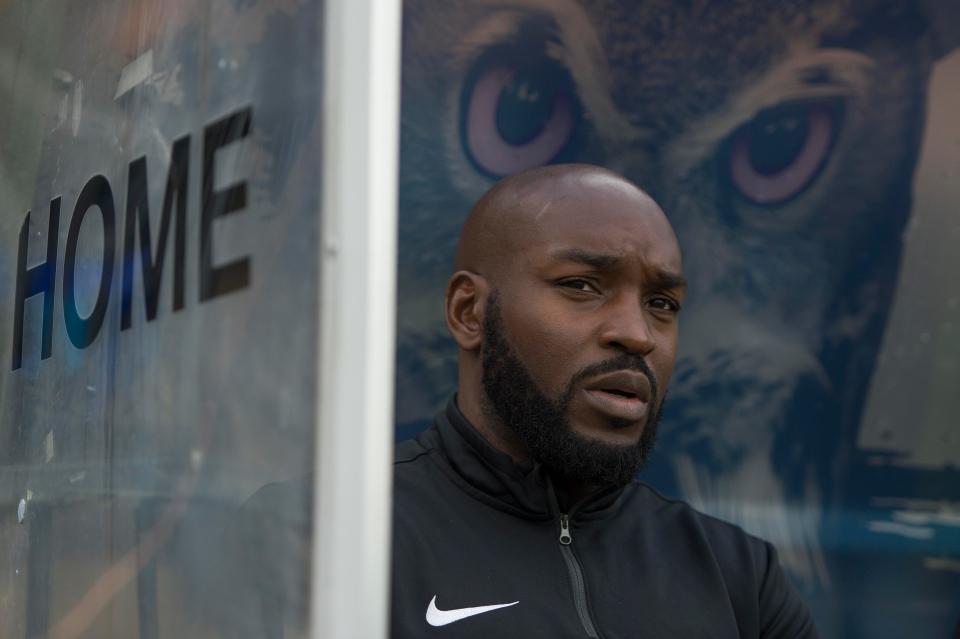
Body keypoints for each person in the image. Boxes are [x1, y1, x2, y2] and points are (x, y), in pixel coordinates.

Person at [391, 164, 817, 638]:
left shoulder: (737, 578)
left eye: (661, 304)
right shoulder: (341, 541)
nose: (637, 336)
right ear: (468, 312)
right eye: (581, 286)